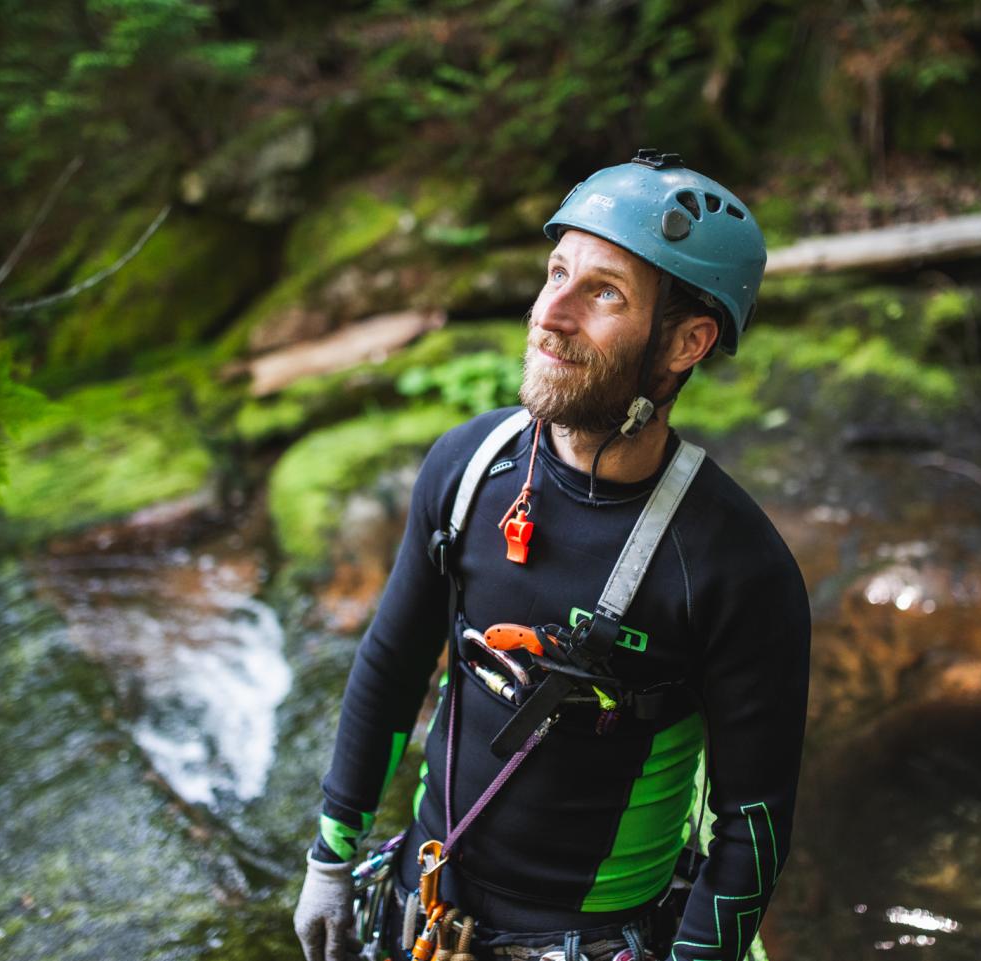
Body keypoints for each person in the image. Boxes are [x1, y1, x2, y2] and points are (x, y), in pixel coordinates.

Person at [295, 150, 810, 961]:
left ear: (686, 341)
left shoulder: (733, 566)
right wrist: (331, 853)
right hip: (420, 916)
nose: (551, 313)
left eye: (602, 291)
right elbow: (391, 665)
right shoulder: (469, 470)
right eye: (555, 272)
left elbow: (752, 822)